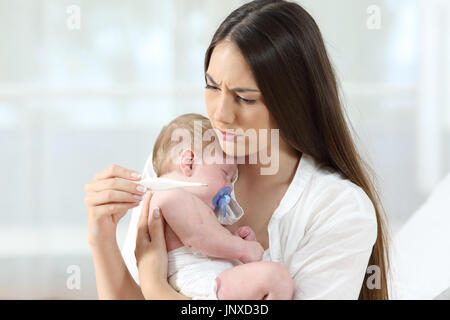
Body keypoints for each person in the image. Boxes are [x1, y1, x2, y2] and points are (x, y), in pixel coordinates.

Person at [85, 0, 390, 300]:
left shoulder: (338, 209)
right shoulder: (184, 163)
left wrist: (156, 288)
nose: (221, 114)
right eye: (213, 87)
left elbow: (149, 291)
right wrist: (101, 238)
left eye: (244, 98)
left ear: (294, 102)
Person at [146, 113, 294, 299]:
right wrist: (242, 248)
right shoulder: (170, 195)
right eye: (225, 173)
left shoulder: (194, 204)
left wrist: (234, 241)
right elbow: (198, 237)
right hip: (200, 280)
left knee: (274, 280)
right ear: (189, 163)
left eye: (232, 180)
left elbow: (206, 238)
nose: (230, 187)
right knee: (276, 278)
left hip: (212, 278)